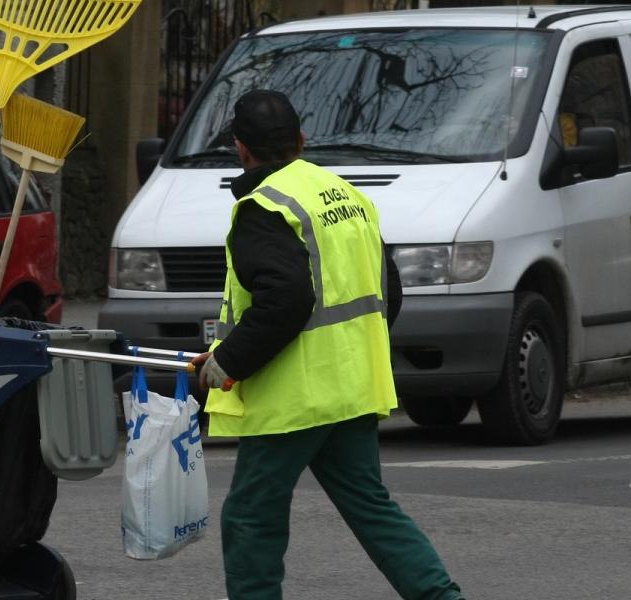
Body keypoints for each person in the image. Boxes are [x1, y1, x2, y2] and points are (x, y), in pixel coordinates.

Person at [190, 90, 464, 600]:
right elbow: (387, 293)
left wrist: (228, 360)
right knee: (371, 507)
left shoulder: (263, 207)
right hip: (354, 387)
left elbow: (285, 301)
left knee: (252, 518)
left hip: (296, 399)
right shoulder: (345, 195)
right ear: (301, 140)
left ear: (240, 149)